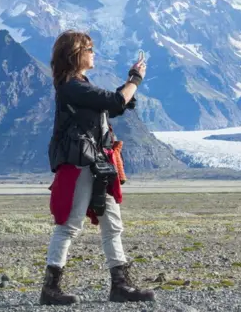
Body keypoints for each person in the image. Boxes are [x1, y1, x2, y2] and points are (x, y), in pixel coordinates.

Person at [40, 30, 154, 305]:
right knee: (69, 224)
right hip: (81, 163)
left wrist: (128, 88)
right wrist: (135, 80)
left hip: (95, 164)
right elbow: (114, 102)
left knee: (111, 223)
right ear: (75, 54)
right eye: (89, 48)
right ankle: (50, 289)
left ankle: (120, 285)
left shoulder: (77, 86)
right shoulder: (72, 86)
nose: (94, 53)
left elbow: (111, 106)